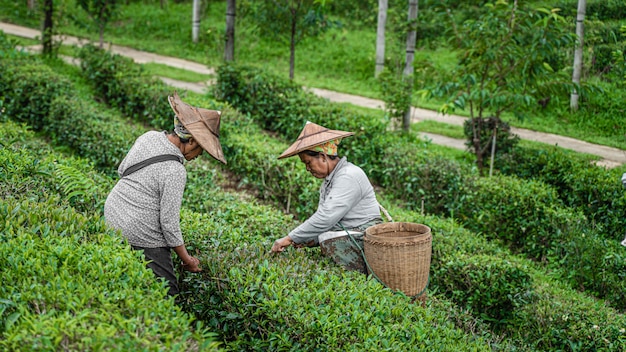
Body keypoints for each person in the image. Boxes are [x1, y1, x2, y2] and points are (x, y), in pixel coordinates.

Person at [104, 92, 226, 296]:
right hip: (140, 233)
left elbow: (121, 170)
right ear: (193, 142)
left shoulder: (149, 136)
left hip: (112, 214)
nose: (198, 156)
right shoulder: (176, 171)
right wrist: (187, 260)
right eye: (202, 150)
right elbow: (168, 223)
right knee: (168, 294)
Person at [270, 121, 383, 273]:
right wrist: (309, 240)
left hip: (366, 237)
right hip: (353, 234)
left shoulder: (348, 176)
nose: (307, 169)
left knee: (328, 239)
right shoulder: (330, 181)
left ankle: (355, 280)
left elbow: (326, 217)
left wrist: (290, 238)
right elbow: (330, 223)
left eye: (308, 162)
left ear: (323, 157)